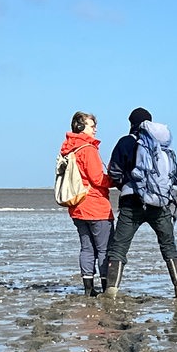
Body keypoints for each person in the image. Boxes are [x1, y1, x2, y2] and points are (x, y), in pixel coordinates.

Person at [103, 107, 177, 299]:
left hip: (131, 204)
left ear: (131, 123)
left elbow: (114, 173)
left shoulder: (125, 142)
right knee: (169, 246)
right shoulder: (163, 146)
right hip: (160, 204)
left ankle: (111, 293)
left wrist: (128, 185)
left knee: (119, 248)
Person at [59, 110, 113, 295]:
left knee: (87, 248)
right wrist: (115, 181)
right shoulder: (88, 149)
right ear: (81, 127)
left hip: (77, 207)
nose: (95, 129)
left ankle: (88, 290)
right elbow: (97, 179)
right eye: (92, 125)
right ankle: (107, 288)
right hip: (95, 206)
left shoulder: (68, 148)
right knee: (105, 249)